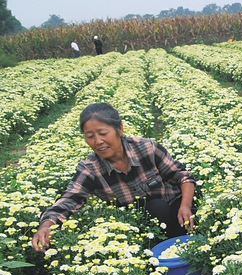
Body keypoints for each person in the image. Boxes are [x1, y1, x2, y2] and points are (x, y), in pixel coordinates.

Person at [32, 103, 197, 252]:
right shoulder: (90, 169)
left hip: (177, 213)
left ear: (119, 129)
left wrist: (185, 206)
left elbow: (182, 176)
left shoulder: (146, 148)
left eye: (103, 133)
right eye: (90, 136)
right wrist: (46, 226)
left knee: (164, 208)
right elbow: (69, 200)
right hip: (143, 226)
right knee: (154, 209)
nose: (98, 141)